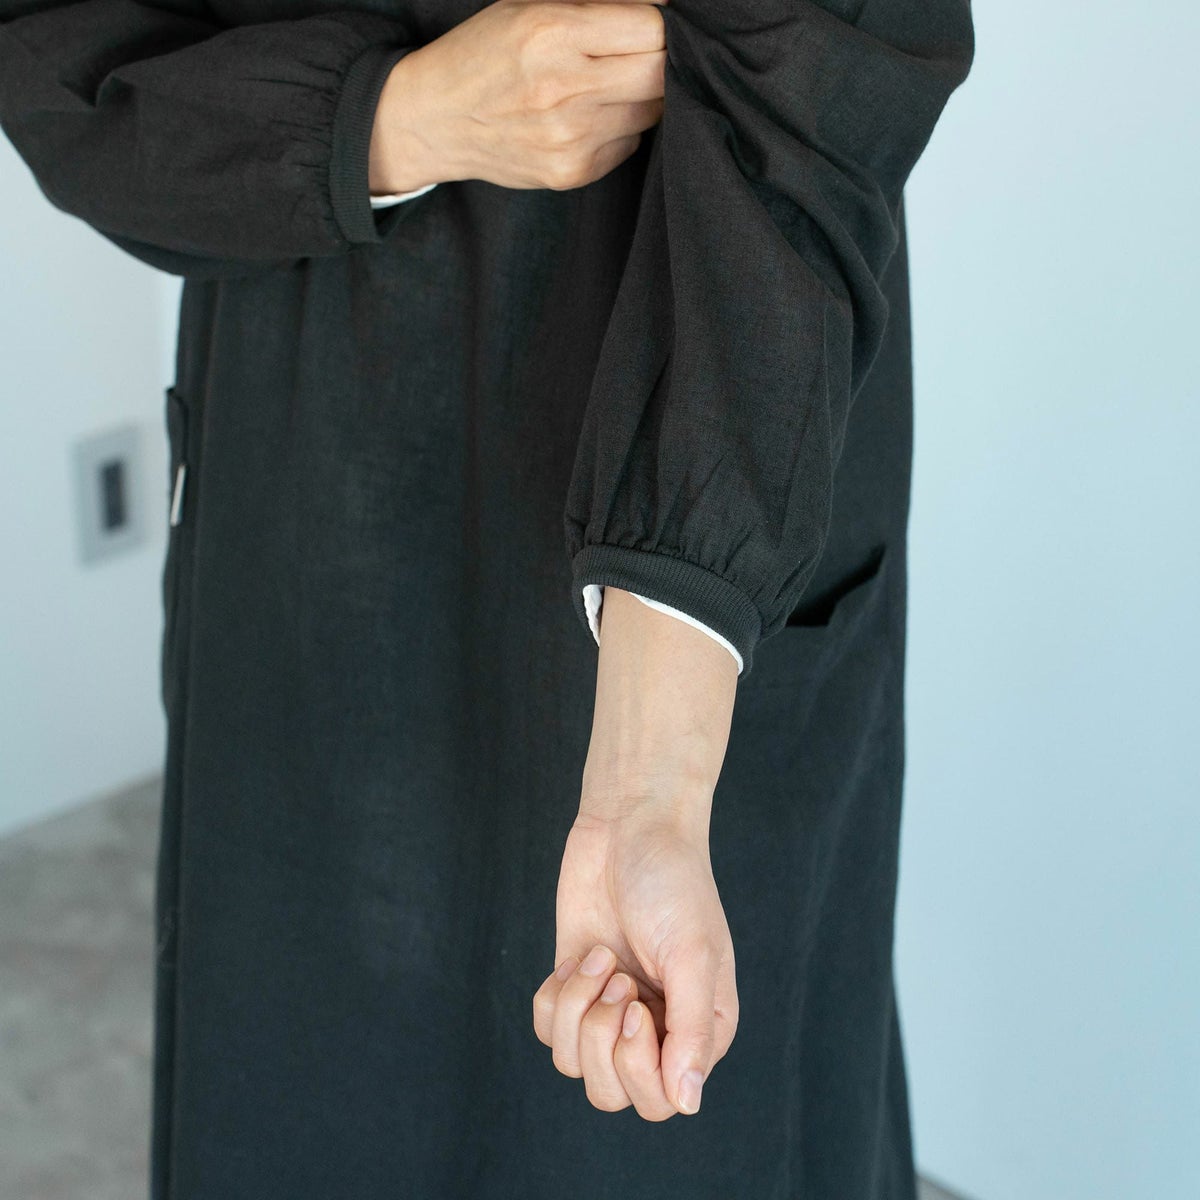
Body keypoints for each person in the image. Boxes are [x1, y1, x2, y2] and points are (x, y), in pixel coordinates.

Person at [0, 0, 974, 1194]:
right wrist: (385, 123)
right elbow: (49, 41)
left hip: (722, 401)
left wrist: (647, 779)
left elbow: (828, 65)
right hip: (314, 425)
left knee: (667, 1111)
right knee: (311, 1072)